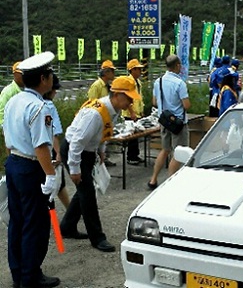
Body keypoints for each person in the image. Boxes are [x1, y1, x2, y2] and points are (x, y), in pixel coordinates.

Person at [60, 76, 141, 252]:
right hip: (76, 151)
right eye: (128, 97)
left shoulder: (113, 109)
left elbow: (105, 131)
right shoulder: (94, 114)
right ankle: (97, 238)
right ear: (117, 95)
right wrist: (74, 168)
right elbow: (76, 142)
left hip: (89, 151)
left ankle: (66, 227)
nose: (130, 101)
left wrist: (101, 150)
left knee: (84, 190)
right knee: (87, 194)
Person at [3, 51, 60, 288]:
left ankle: (18, 274)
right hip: (30, 167)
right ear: (44, 79)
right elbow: (41, 146)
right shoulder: (39, 107)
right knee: (34, 223)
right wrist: (50, 175)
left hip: (14, 163)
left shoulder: (12, 101)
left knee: (17, 221)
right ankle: (30, 276)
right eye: (50, 75)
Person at [148, 55, 191, 189]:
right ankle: (170, 183)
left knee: (165, 150)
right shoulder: (180, 83)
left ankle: (153, 180)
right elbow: (186, 105)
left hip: (164, 122)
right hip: (178, 124)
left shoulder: (158, 81)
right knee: (178, 152)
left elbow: (154, 102)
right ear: (177, 65)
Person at [42, 74, 70, 208]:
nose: (56, 92)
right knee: (56, 183)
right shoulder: (49, 106)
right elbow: (54, 133)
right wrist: (58, 153)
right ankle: (69, 213)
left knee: (58, 185)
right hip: (49, 150)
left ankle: (71, 211)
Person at [87, 60, 117, 167]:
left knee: (105, 139)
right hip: (98, 118)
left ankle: (104, 158)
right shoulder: (97, 85)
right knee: (97, 140)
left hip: (107, 118)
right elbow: (91, 103)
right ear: (106, 72)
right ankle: (96, 160)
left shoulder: (108, 85)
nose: (114, 74)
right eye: (112, 71)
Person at [122, 59, 145, 165]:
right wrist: (131, 112)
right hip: (130, 114)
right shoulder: (128, 81)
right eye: (138, 69)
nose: (140, 71)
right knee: (131, 137)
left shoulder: (138, 82)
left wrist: (141, 110)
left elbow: (139, 98)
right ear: (133, 70)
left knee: (136, 136)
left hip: (137, 113)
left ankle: (135, 155)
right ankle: (130, 157)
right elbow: (127, 99)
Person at [0, 61, 24, 126]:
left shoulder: (30, 90)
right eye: (21, 74)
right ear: (15, 74)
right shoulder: (8, 91)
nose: (24, 76)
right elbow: (1, 113)